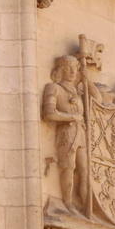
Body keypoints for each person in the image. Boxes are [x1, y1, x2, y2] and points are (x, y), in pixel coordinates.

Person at [42, 55, 100, 214]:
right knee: (68, 167)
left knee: (85, 169)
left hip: (81, 133)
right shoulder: (54, 88)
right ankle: (68, 202)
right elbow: (49, 114)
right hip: (66, 133)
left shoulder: (78, 91)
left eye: (75, 68)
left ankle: (86, 207)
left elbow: (98, 99)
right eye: (69, 68)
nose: (73, 71)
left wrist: (87, 80)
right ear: (61, 70)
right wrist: (71, 117)